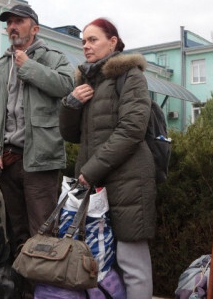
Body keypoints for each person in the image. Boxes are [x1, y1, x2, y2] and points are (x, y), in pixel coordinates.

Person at [59, 18, 156, 298]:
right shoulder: (88, 82)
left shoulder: (130, 75)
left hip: (129, 182)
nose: (86, 46)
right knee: (97, 260)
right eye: (84, 41)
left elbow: (132, 129)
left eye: (93, 39)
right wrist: (71, 103)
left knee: (131, 262)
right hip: (95, 182)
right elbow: (72, 135)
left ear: (112, 42)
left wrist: (90, 170)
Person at [0, 4, 74, 261]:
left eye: (19, 21)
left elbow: (67, 86)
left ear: (35, 28)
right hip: (6, 161)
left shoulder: (54, 58)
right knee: (14, 231)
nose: (12, 27)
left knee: (43, 232)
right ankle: (21, 287)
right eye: (9, 22)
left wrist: (29, 66)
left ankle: (41, 290)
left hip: (40, 160)